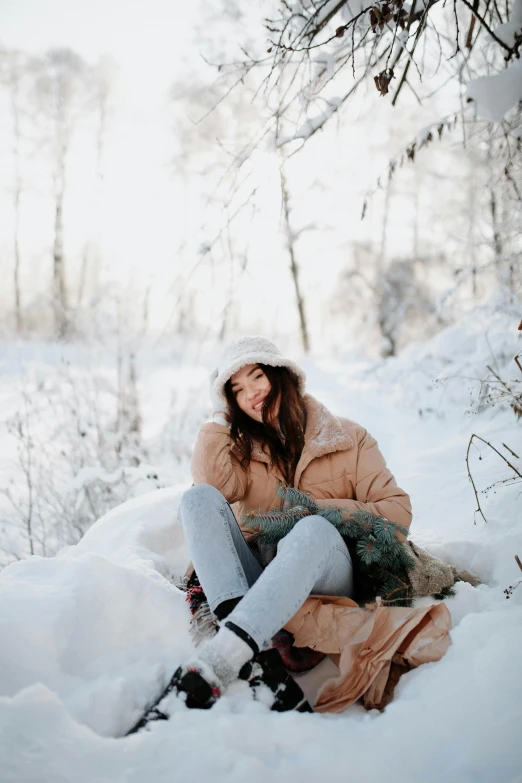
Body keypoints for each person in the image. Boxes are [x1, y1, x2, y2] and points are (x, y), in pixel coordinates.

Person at [173, 336, 412, 712]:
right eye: (237, 391)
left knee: (312, 530)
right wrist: (220, 419)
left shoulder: (348, 438)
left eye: (257, 377)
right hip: (261, 580)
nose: (251, 394)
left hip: (330, 574)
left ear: (281, 376)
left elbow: (396, 514)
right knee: (195, 498)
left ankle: (223, 656)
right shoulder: (241, 450)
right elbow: (210, 493)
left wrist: (313, 510)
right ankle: (257, 655)